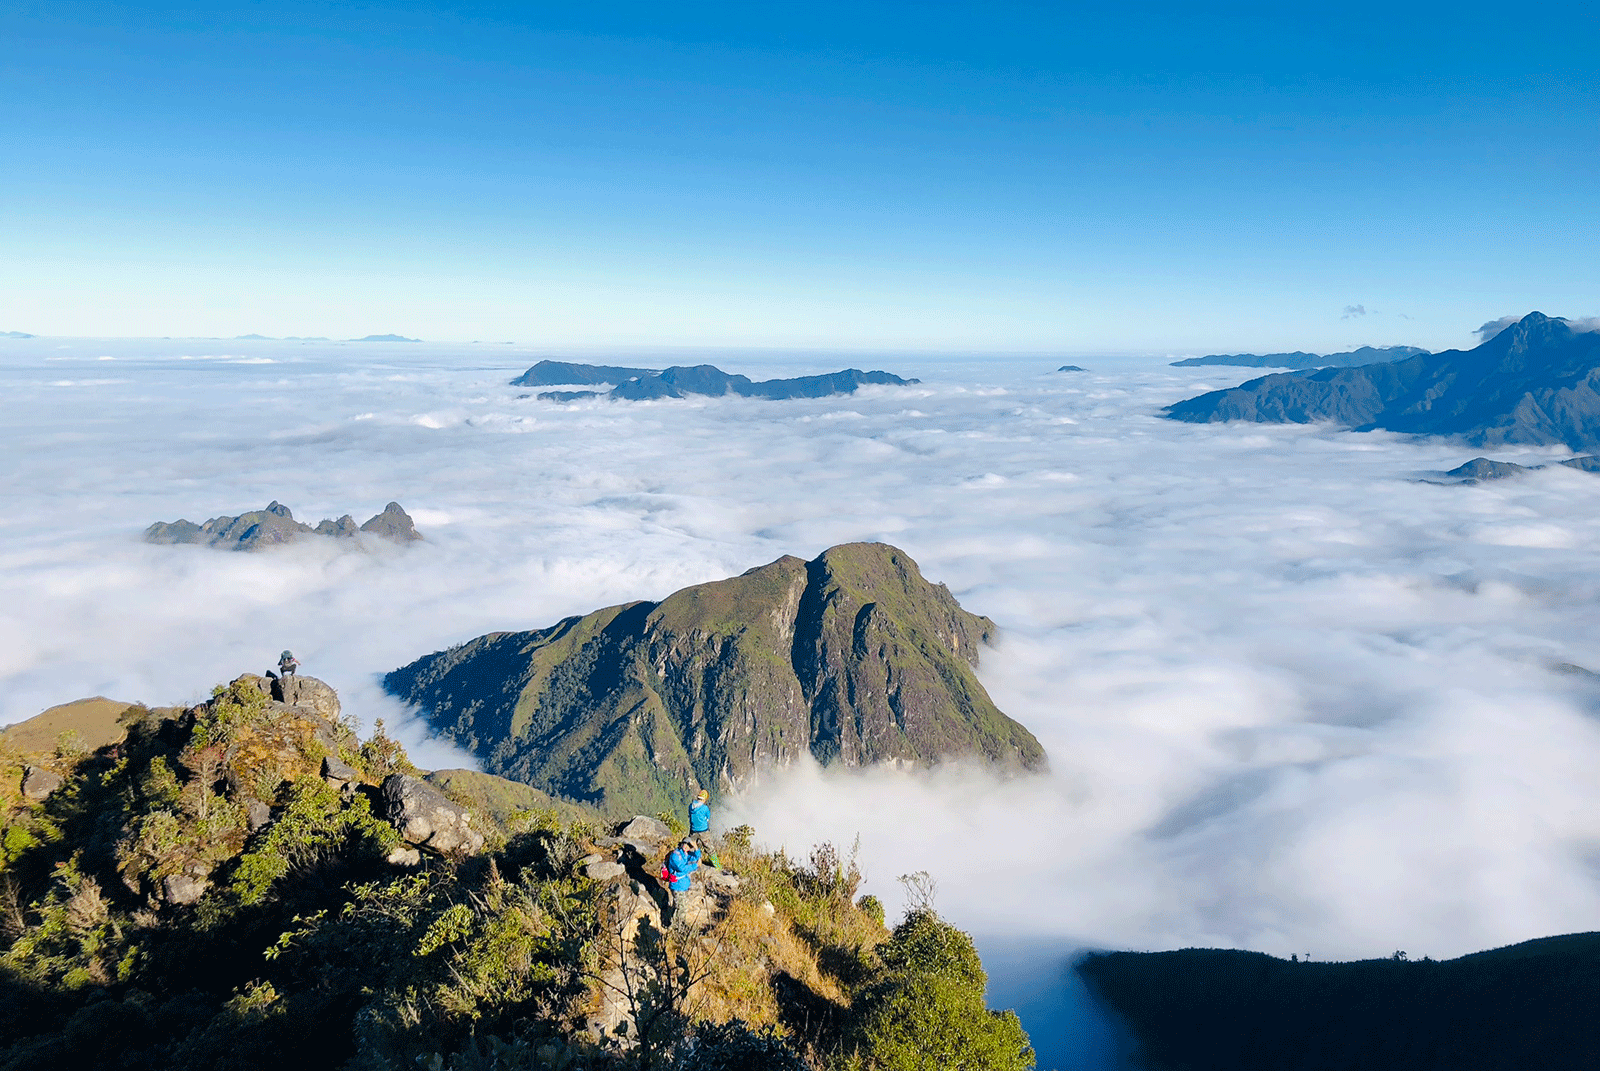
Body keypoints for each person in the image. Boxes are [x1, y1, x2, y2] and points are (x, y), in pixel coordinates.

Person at [661, 838, 701, 918]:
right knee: (681, 909)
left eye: (690, 846)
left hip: (683, 885)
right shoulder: (675, 855)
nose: (687, 847)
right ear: (682, 843)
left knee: (678, 907)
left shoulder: (685, 854)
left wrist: (696, 848)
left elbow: (696, 857)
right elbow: (681, 868)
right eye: (686, 844)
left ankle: (671, 922)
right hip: (677, 886)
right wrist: (695, 866)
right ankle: (678, 927)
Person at [688, 789, 720, 868]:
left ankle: (691, 861)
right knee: (709, 848)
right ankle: (717, 865)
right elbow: (707, 818)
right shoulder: (705, 808)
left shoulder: (690, 806)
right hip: (703, 831)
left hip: (693, 830)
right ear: (705, 799)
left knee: (691, 846)